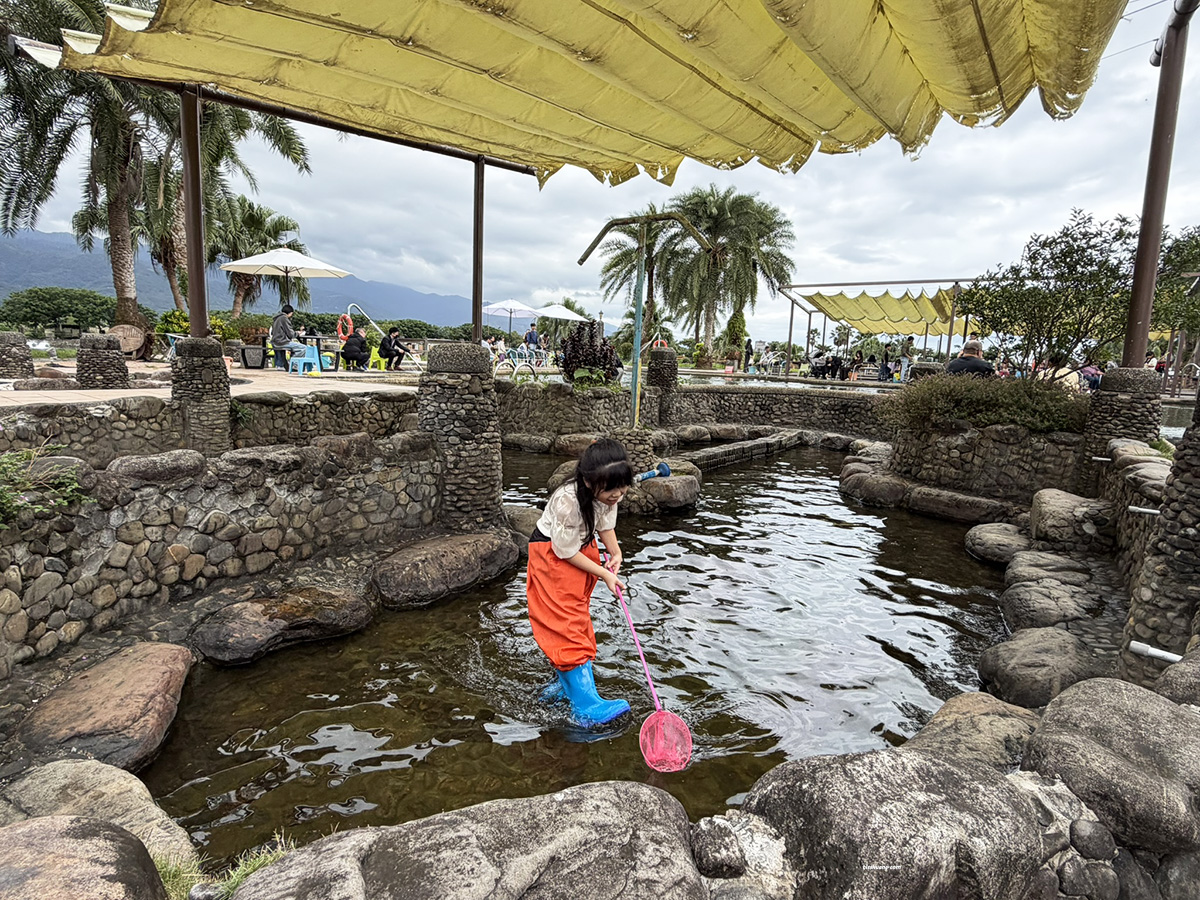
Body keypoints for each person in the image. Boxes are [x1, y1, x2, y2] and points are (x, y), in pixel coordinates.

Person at [526, 438, 633, 727]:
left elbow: (605, 522)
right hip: (553, 555)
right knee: (564, 621)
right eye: (610, 489)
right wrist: (605, 574)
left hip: (579, 549)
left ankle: (567, 687)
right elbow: (564, 551)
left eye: (623, 488)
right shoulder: (568, 501)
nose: (617, 495)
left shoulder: (609, 494)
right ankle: (586, 706)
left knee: (577, 615)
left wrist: (615, 552)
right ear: (588, 482)